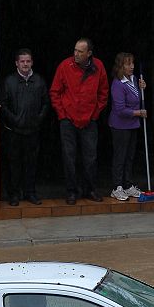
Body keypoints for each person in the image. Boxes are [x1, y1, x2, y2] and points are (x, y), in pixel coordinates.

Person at [49, 38, 109, 205]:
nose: (76, 54)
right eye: (75, 50)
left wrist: (95, 114)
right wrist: (62, 114)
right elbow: (55, 92)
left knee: (90, 157)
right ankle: (71, 191)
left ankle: (90, 189)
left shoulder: (99, 66)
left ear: (89, 53)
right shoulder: (64, 66)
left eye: (80, 51)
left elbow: (103, 93)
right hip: (68, 119)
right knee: (69, 157)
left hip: (89, 120)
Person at [1, 48, 49, 206]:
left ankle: (31, 193)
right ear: (16, 63)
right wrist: (14, 120)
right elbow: (4, 105)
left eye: (28, 61)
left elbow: (46, 103)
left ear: (32, 62)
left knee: (32, 164)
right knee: (14, 164)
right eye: (22, 61)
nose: (25, 64)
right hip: (14, 131)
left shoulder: (39, 81)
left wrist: (38, 119)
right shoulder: (9, 81)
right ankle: (14, 194)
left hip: (33, 131)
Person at [108, 52, 147, 201]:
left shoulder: (134, 79)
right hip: (120, 126)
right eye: (128, 64)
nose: (131, 67)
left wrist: (141, 88)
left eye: (132, 63)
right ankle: (117, 186)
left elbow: (137, 99)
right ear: (120, 66)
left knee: (130, 156)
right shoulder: (118, 84)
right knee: (120, 156)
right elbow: (120, 109)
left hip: (132, 125)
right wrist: (138, 113)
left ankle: (127, 184)